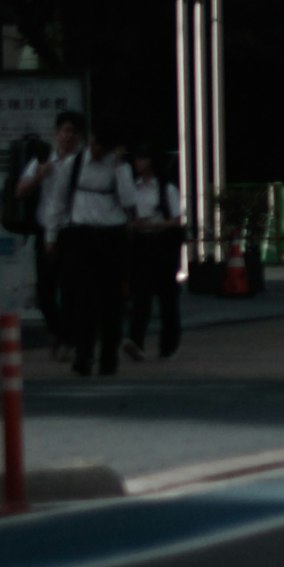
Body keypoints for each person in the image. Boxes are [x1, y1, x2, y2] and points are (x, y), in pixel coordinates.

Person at [16, 114, 131, 375]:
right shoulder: (74, 164)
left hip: (111, 235)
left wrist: (121, 167)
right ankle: (83, 353)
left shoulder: (118, 166)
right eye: (98, 145)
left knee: (112, 301)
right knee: (81, 298)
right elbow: (56, 202)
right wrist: (51, 237)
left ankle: (108, 356)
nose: (100, 151)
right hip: (79, 236)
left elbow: (128, 200)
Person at [121, 146, 185, 362]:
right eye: (137, 158)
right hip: (140, 245)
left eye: (143, 158)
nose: (138, 163)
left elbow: (177, 219)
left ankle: (169, 345)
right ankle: (136, 341)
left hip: (162, 245)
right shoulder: (132, 189)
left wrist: (154, 225)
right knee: (141, 296)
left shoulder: (166, 189)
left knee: (167, 297)